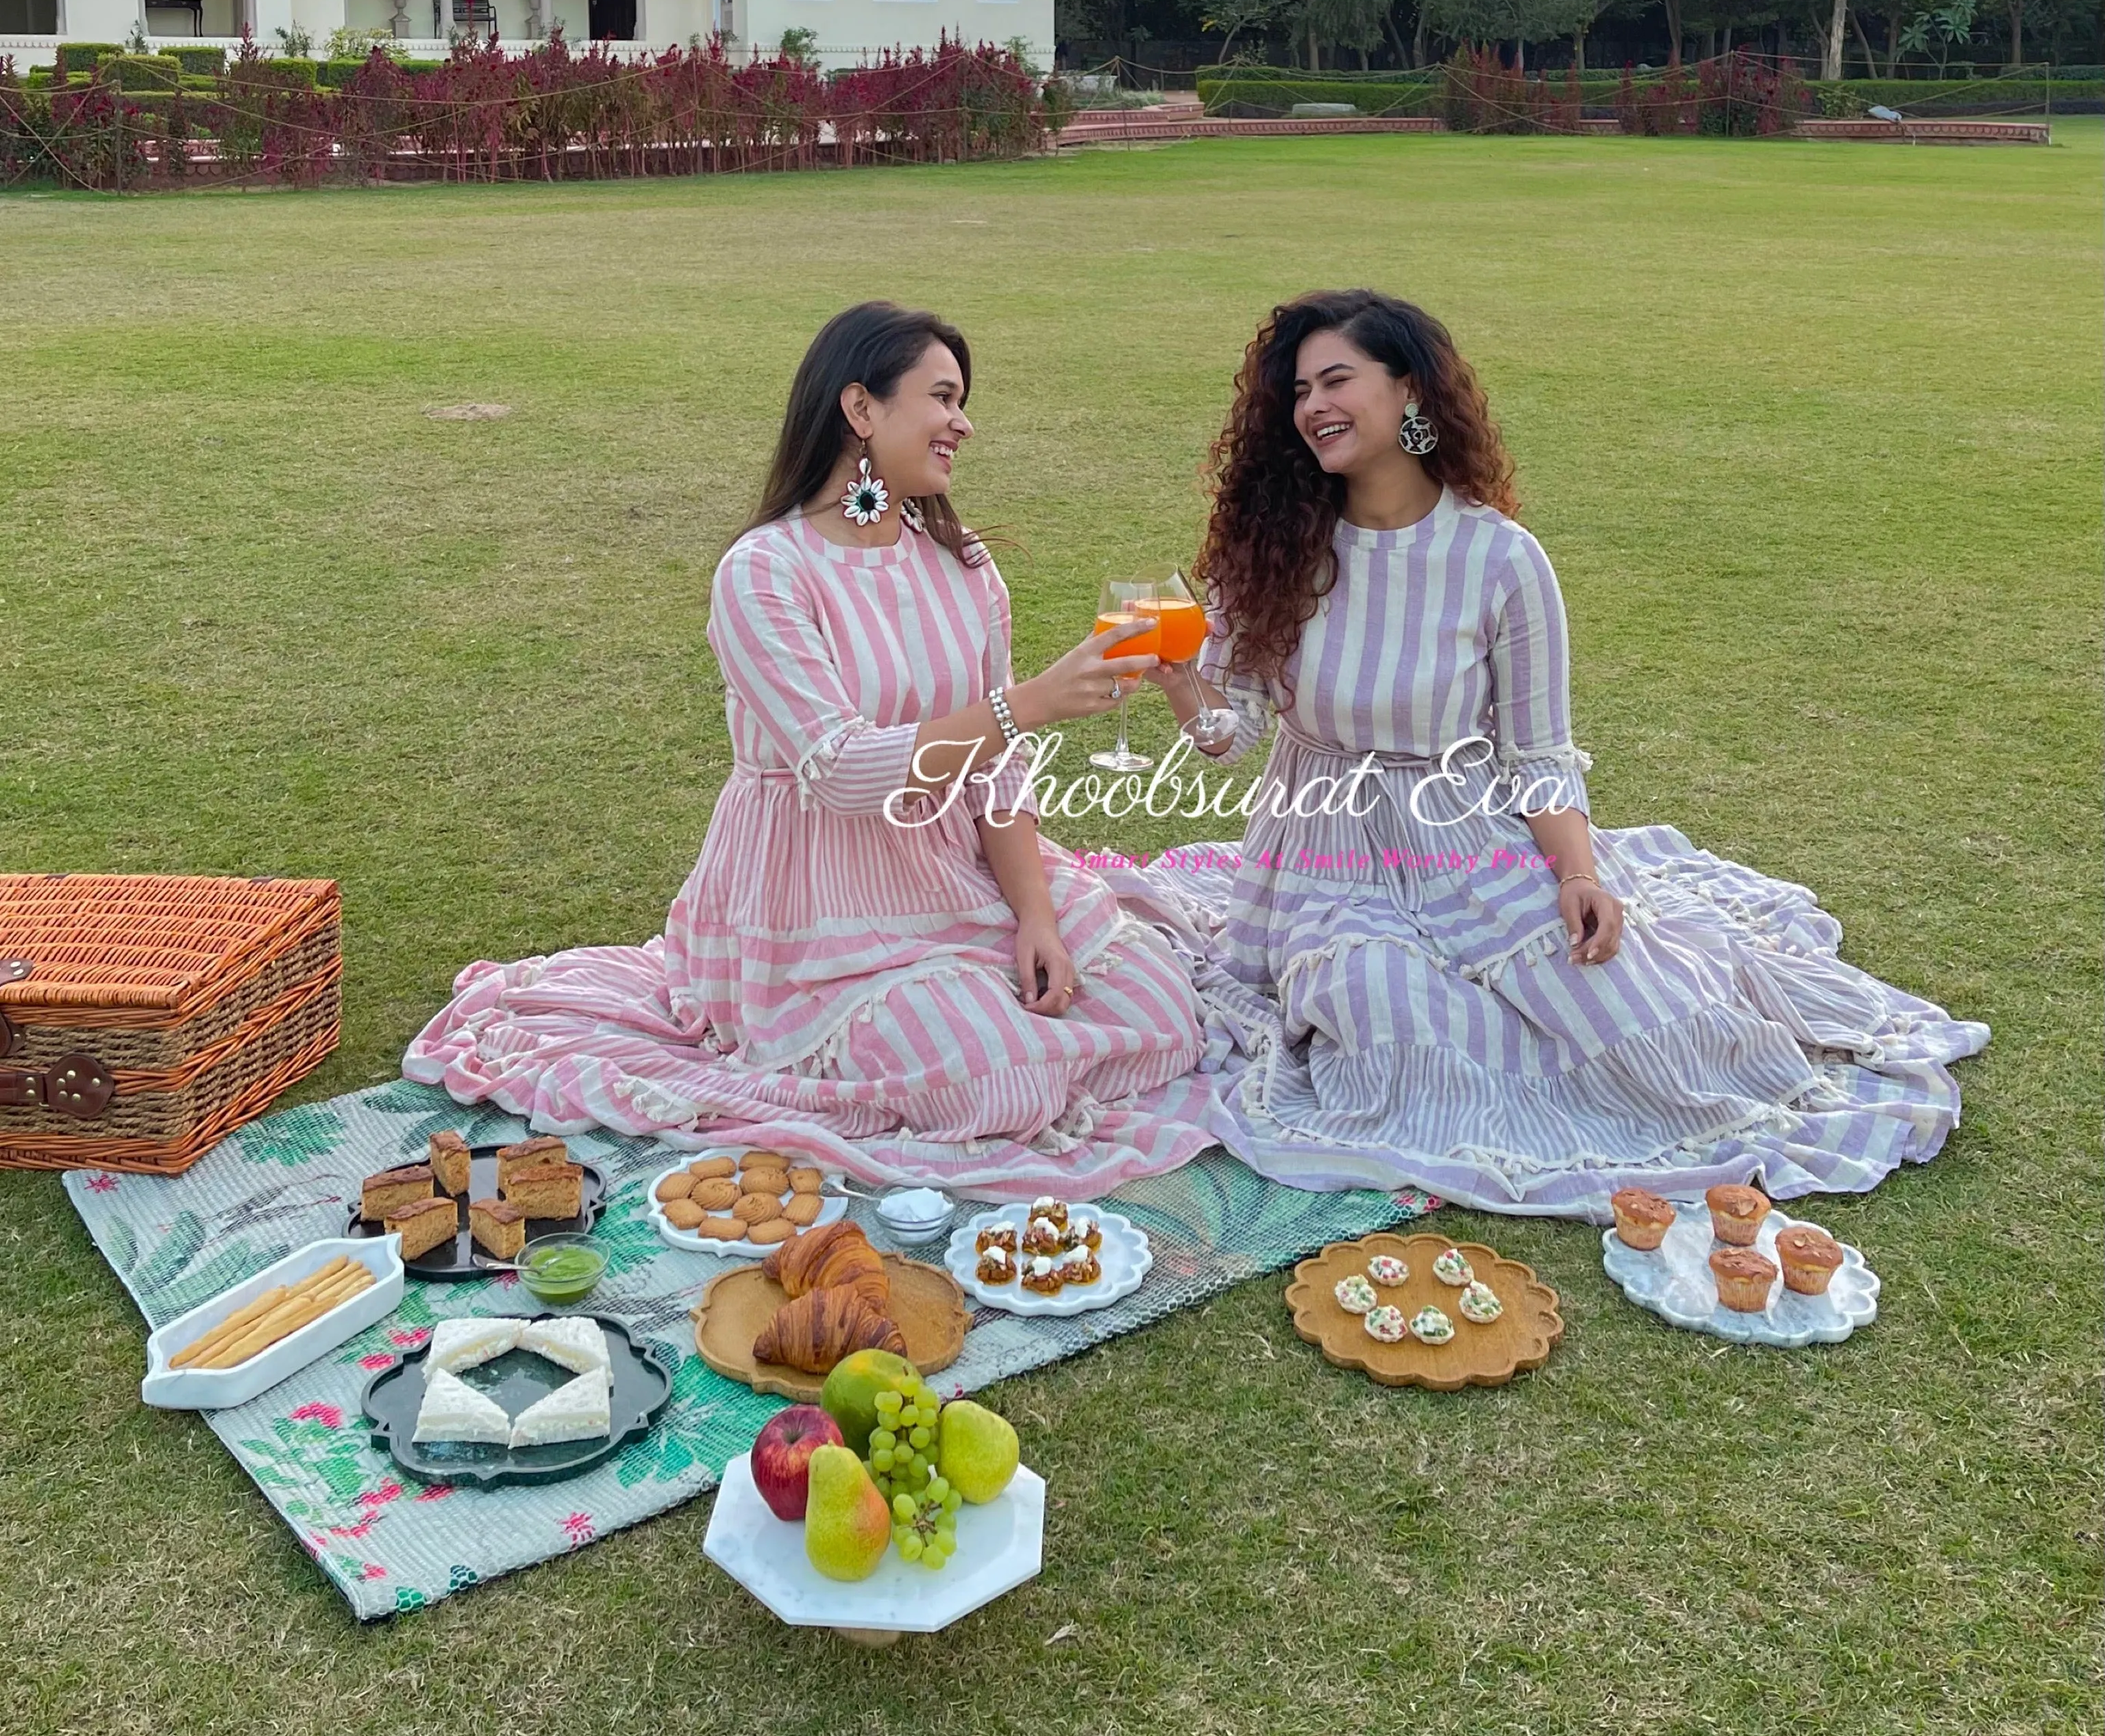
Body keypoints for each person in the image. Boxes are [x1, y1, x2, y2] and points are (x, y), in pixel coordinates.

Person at [1141, 287, 1989, 1213]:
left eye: (1336, 380)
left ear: (1410, 391)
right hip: (1326, 854)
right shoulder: (1276, 552)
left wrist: (1578, 873)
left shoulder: (1501, 558)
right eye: (1298, 390)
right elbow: (1233, 737)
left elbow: (1539, 755)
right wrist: (1182, 681)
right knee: (1385, 1011)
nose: (1312, 407)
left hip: (1469, 841)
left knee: (1632, 1006)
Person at [406, 301, 1219, 1195]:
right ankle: (905, 1022)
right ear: (861, 409)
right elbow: (839, 770)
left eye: (963, 400)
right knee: (994, 1074)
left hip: (956, 872)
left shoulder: (965, 565)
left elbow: (995, 770)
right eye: (942, 397)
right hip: (817, 895)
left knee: (1161, 1003)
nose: (964, 421)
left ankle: (982, 983)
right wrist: (1024, 703)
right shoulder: (764, 573)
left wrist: (1035, 915)